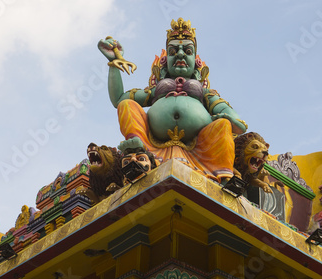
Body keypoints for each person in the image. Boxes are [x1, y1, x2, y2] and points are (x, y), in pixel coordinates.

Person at [98, 18, 247, 182]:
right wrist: (113, 62)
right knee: (127, 105)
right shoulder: (157, 90)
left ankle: (224, 178)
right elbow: (118, 99)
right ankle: (138, 150)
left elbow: (234, 119)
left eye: (187, 51)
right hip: (152, 144)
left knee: (223, 125)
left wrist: (228, 119)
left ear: (196, 62)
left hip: (199, 148)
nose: (181, 54)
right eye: (174, 51)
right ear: (165, 60)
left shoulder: (205, 93)